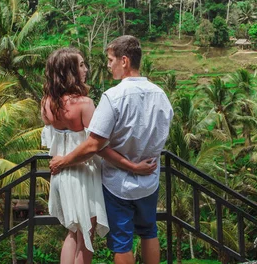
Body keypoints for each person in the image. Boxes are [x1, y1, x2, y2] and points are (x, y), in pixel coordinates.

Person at [50, 36, 173, 264]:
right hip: (149, 178)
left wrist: (64, 161)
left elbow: (94, 144)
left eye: (110, 60)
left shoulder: (113, 97)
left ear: (124, 61)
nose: (107, 65)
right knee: (149, 232)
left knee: (122, 241)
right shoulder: (161, 95)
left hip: (118, 184)